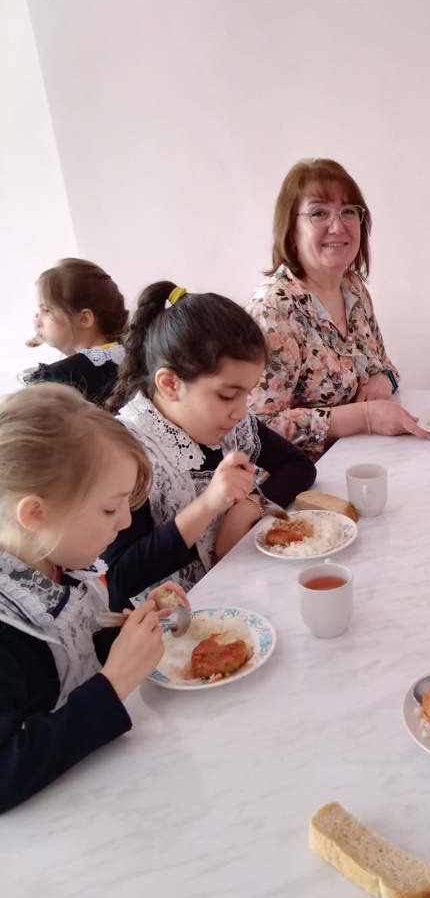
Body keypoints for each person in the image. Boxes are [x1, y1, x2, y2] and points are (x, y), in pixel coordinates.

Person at [0, 384, 185, 814]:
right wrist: (114, 683)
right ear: (36, 514)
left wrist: (135, 625)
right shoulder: (9, 625)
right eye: (109, 509)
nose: (125, 523)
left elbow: (79, 641)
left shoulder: (58, 563)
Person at [103, 283, 316, 610]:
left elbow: (300, 467)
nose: (241, 411)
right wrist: (208, 505)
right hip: (173, 620)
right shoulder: (128, 451)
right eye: (227, 395)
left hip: (237, 590)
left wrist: (247, 508)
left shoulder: (229, 421)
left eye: (247, 393)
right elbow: (121, 577)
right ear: (170, 384)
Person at [246, 158, 429, 458]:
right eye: (319, 212)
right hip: (305, 476)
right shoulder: (273, 308)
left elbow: (383, 364)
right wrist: (364, 416)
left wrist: (383, 379)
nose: (338, 225)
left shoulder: (352, 288)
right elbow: (257, 427)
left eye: (348, 211)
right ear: (291, 231)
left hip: (363, 455)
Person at [20, 258, 128, 407]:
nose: (37, 320)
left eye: (46, 310)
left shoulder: (59, 378)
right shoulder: (131, 356)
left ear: (84, 319)